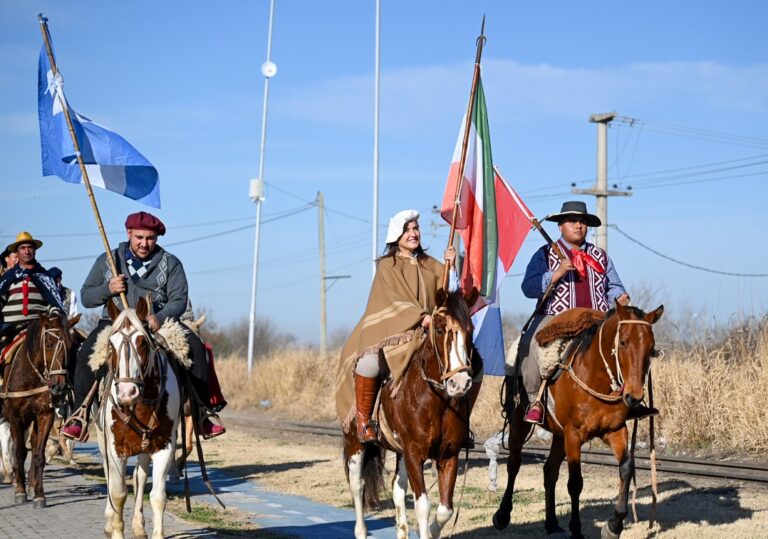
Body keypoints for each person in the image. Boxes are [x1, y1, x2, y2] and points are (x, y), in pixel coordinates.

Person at [61, 212, 225, 440]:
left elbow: (179, 300)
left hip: (157, 324)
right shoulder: (108, 260)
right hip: (115, 323)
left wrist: (161, 315)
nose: (144, 243)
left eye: (150, 238)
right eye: (139, 237)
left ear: (157, 238)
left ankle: (202, 414)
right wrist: (108, 289)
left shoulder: (171, 263)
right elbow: (87, 297)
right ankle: (80, 414)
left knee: (196, 348)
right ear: (129, 233)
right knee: (85, 353)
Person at [335, 209, 482, 446]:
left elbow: (450, 295)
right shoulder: (387, 266)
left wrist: (451, 267)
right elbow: (394, 301)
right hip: (393, 333)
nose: (413, 234)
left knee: (472, 365)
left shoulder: (432, 265)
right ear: (396, 235)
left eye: (415, 228)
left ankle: (461, 424)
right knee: (368, 364)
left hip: (430, 333)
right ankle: (364, 423)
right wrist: (421, 317)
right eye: (407, 230)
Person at [518, 200, 654, 424]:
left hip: (596, 318)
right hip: (557, 317)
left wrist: (620, 296)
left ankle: (630, 397)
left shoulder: (600, 256)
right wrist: (554, 274)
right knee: (532, 344)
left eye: (582, 222)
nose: (578, 225)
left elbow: (614, 286)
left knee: (632, 347)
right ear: (560, 226)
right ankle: (535, 399)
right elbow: (528, 287)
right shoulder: (544, 255)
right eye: (572, 221)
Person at [0, 232, 64, 342]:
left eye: (30, 247)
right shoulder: (7, 278)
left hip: (39, 327)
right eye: (23, 248)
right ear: (17, 252)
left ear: (35, 251)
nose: (27, 251)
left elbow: (54, 303)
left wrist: (53, 315)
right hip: (10, 328)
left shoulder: (45, 277)